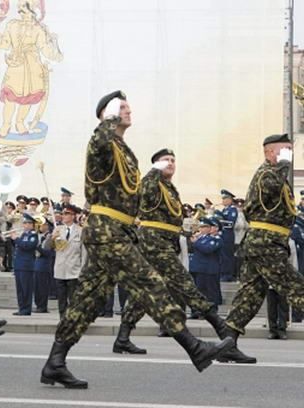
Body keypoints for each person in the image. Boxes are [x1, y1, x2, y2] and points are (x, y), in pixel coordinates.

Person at [40, 90, 233, 389]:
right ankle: (195, 348)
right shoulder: (101, 143)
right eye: (122, 107)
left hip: (119, 231)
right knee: (150, 283)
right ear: (108, 113)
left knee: (85, 302)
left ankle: (55, 362)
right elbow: (100, 140)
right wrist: (109, 116)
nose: (128, 111)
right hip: (107, 232)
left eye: (127, 107)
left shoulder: (122, 149)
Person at [114, 149, 231, 353]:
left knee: (144, 292)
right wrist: (154, 169)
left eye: (172, 160)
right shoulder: (151, 183)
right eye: (164, 160)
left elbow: (171, 220)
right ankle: (223, 331)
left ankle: (123, 337)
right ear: (155, 165)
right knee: (185, 283)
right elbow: (144, 191)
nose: (170, 163)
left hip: (165, 241)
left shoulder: (169, 188)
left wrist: (187, 234)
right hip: (154, 243)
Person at [222, 133, 304, 363]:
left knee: (251, 294)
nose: (289, 155)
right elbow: (270, 187)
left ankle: (228, 341)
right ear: (269, 152)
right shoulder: (266, 174)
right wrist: (285, 165)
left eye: (291, 150)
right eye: (284, 150)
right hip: (265, 243)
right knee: (295, 286)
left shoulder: (277, 174)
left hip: (266, 242)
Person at [48, 204, 85, 318]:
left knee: (73, 298)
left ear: (73, 216)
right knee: (61, 298)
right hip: (60, 269)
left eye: (66, 214)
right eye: (63, 213)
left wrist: (83, 270)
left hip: (74, 269)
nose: (63, 216)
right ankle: (62, 318)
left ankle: (72, 319)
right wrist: (52, 238)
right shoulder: (58, 229)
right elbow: (49, 247)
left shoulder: (80, 231)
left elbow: (84, 252)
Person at [189, 217, 223, 316]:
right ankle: (197, 311)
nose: (202, 229)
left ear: (209, 228)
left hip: (209, 270)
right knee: (198, 291)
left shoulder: (216, 239)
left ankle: (211, 312)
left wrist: (196, 242)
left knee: (210, 292)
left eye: (205, 227)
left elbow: (208, 249)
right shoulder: (200, 238)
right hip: (197, 268)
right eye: (201, 226)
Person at [12, 213, 38, 316]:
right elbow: (18, 246)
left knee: (26, 288)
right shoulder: (23, 234)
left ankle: (26, 308)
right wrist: (12, 239)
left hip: (27, 266)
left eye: (28, 223)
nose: (25, 225)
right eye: (25, 223)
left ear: (32, 225)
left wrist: (16, 239)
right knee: (20, 288)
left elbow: (27, 246)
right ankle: (21, 307)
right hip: (19, 265)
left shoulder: (33, 235)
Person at [34, 215, 55, 313]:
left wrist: (37, 247)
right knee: (36, 287)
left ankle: (43, 306)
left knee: (43, 287)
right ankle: (38, 304)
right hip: (35, 264)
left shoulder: (49, 237)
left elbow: (47, 252)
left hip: (44, 265)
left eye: (43, 225)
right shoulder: (37, 235)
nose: (40, 226)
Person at [218, 189, 238, 282]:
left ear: (230, 200)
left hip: (228, 235)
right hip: (223, 235)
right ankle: (223, 273)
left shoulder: (232, 210)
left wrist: (219, 220)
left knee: (227, 255)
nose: (223, 201)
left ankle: (228, 274)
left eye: (225, 199)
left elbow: (230, 223)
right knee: (222, 255)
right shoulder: (224, 210)